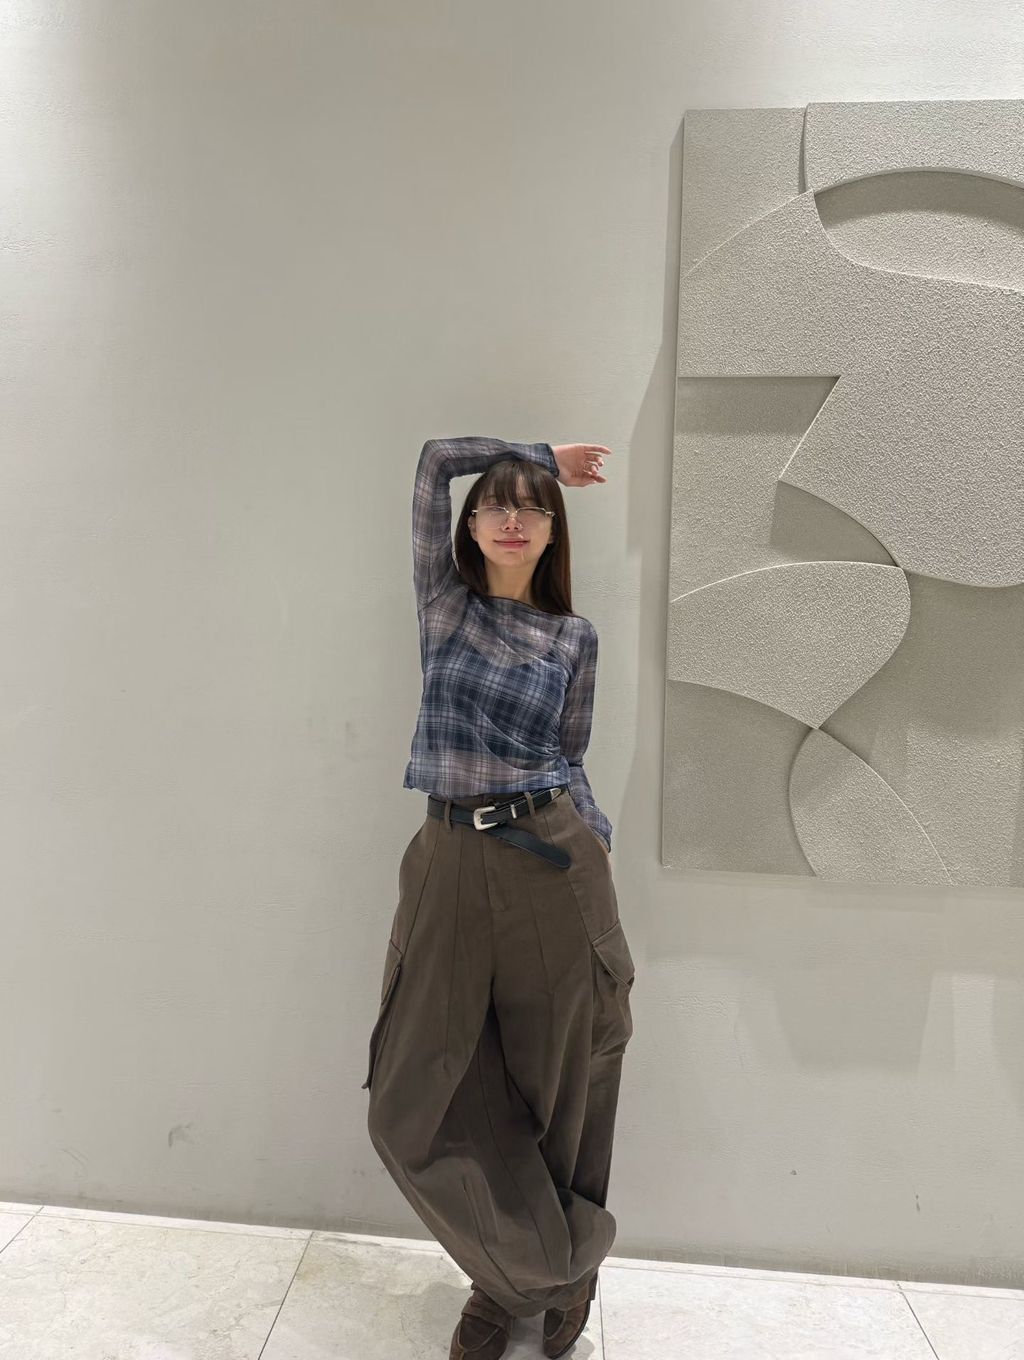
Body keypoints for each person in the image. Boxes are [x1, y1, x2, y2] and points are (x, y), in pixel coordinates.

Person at [362, 436, 636, 1360]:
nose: (512, 519)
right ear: (472, 528)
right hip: (445, 854)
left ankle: (501, 1289)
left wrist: (593, 837)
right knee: (408, 1102)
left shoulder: (573, 638)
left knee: (559, 1079)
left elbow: (570, 753)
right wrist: (541, 456)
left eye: (532, 507)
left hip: (550, 856)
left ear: (554, 534)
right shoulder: (445, 605)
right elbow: (435, 461)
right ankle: (551, 1269)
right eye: (497, 505)